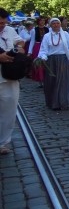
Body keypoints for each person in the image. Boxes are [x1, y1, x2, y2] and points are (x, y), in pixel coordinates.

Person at [0, 8, 27, 155]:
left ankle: (3, 142)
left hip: (9, 77)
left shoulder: (10, 31)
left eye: (4, 23)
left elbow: (20, 41)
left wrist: (20, 47)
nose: (1, 26)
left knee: (9, 112)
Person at [37, 17, 69, 110]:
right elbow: (43, 49)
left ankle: (63, 101)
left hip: (64, 60)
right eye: (54, 23)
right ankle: (53, 102)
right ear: (51, 25)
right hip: (51, 61)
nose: (56, 25)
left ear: (60, 24)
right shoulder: (47, 36)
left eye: (57, 23)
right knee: (53, 82)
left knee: (63, 81)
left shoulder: (66, 34)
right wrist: (43, 57)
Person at [28, 16, 48, 85]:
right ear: (38, 21)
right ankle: (40, 80)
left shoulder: (47, 29)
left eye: (43, 20)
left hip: (46, 47)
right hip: (38, 46)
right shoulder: (34, 30)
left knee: (46, 63)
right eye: (41, 20)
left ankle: (46, 79)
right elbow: (32, 41)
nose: (42, 22)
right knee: (39, 63)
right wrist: (29, 52)